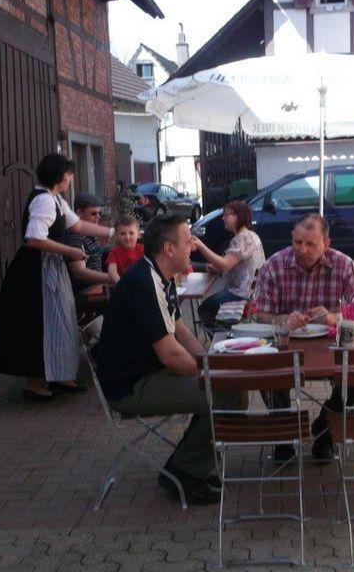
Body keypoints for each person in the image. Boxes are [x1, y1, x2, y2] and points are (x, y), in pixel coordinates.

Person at [96, 214, 247, 505]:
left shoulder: (157, 275)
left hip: (147, 375)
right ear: (168, 249)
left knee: (229, 388)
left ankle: (193, 464)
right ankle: (184, 471)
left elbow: (180, 330)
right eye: (188, 240)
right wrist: (210, 373)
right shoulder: (144, 282)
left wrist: (208, 360)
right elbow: (171, 355)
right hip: (133, 387)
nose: (192, 245)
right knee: (228, 395)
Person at [0, 154, 114, 402]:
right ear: (58, 176)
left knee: (62, 321)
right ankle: (35, 384)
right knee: (39, 326)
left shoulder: (55, 200)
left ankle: (61, 376)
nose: (70, 179)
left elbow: (78, 226)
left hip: (49, 267)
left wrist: (113, 232)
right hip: (35, 272)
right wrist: (70, 251)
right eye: (68, 174)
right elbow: (34, 238)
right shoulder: (44, 201)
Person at [255, 213, 354, 462]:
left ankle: (325, 429)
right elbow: (261, 316)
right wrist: (283, 320)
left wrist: (334, 318)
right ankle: (285, 435)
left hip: (331, 345)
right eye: (298, 242)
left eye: (311, 244)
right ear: (292, 238)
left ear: (326, 244)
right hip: (286, 346)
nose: (302, 249)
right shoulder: (274, 265)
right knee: (266, 375)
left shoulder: (343, 264)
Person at [192, 201, 265, 324]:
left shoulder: (243, 237)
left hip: (242, 294)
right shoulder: (250, 235)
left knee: (206, 308)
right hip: (251, 293)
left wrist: (200, 246)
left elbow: (225, 264)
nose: (223, 218)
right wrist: (218, 267)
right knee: (209, 305)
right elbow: (229, 265)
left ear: (238, 216)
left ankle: (223, 336)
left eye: (227, 215)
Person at [60, 193, 113, 319]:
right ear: (79, 213)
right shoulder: (73, 234)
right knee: (121, 292)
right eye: (93, 213)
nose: (98, 217)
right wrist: (111, 278)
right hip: (82, 293)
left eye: (99, 214)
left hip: (97, 286)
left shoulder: (91, 233)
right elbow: (80, 272)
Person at [105, 215, 144, 284]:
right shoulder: (114, 252)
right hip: (123, 284)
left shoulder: (143, 249)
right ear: (116, 236)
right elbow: (112, 271)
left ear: (138, 234)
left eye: (131, 233)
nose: (127, 237)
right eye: (123, 234)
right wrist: (121, 284)